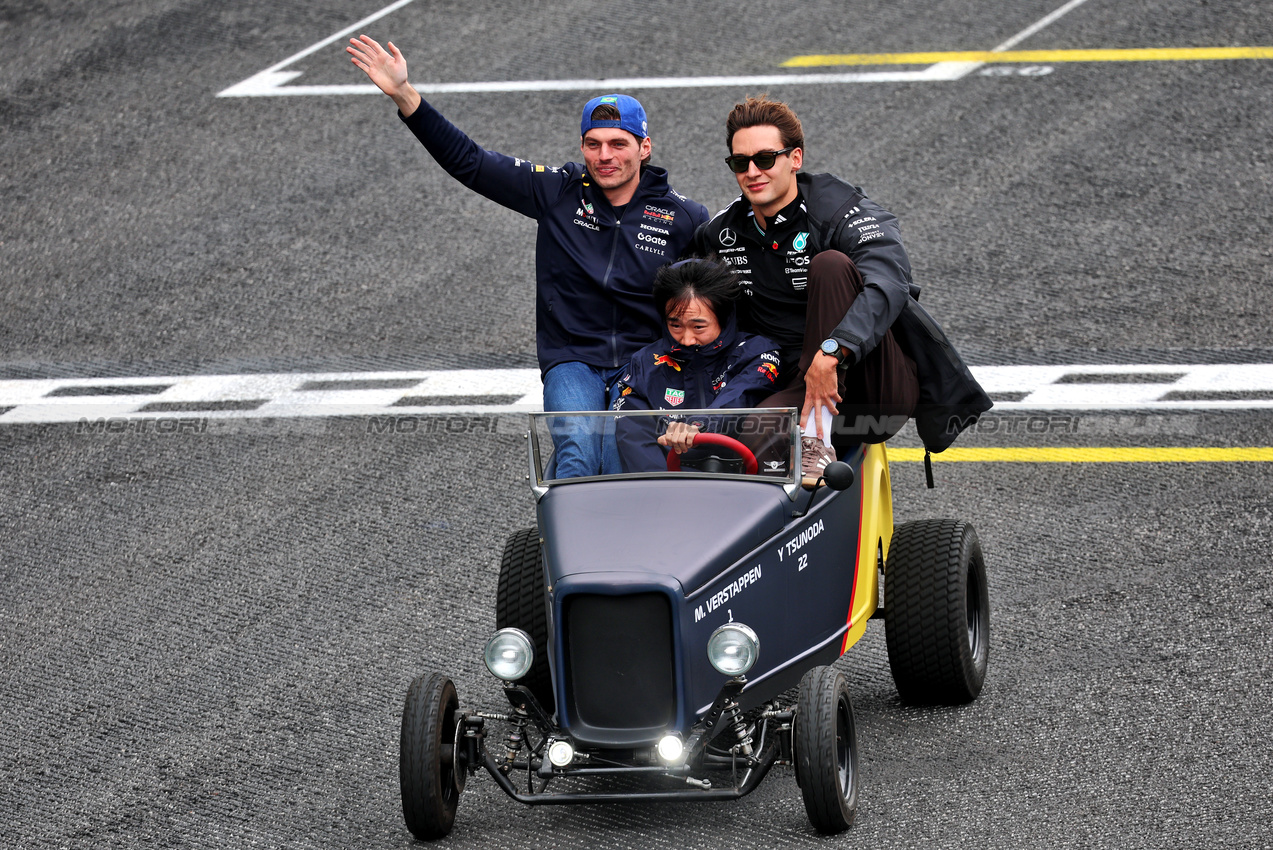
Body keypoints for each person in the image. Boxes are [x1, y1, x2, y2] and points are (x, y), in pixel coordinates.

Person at [347, 35, 709, 477]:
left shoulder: (685, 217)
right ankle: (568, 545)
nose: (604, 156)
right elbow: (472, 163)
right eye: (593, 144)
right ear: (582, 147)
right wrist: (405, 95)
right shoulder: (555, 191)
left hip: (646, 360)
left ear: (644, 147)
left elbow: (710, 302)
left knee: (621, 457)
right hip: (572, 359)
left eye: (618, 143)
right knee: (578, 449)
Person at [694, 95, 991, 487]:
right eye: (740, 162)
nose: (752, 171)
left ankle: (817, 440)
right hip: (793, 384)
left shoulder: (840, 210)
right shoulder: (721, 233)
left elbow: (890, 282)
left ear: (794, 159)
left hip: (873, 390)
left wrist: (832, 352)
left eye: (765, 159)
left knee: (830, 265)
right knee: (751, 434)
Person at [611, 259, 781, 473]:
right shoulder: (644, 363)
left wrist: (696, 427)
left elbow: (740, 396)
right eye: (675, 325)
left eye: (698, 327)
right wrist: (661, 489)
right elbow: (632, 433)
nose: (687, 339)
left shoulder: (758, 353)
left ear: (725, 317)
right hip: (666, 493)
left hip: (743, 489)